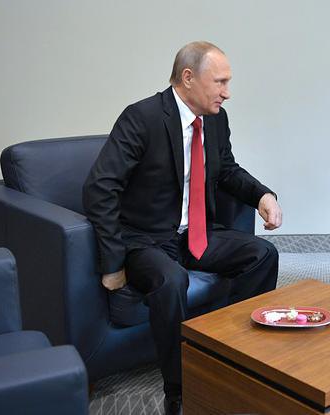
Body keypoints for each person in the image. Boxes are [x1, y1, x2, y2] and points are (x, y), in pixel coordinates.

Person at [83, 41, 282, 415]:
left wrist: (262, 196)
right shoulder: (141, 118)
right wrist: (113, 262)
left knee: (262, 254)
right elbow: (100, 187)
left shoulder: (216, 118)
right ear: (188, 78)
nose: (227, 92)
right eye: (220, 82)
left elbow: (226, 170)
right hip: (146, 241)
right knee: (172, 280)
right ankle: (179, 388)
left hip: (197, 234)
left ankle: (232, 355)